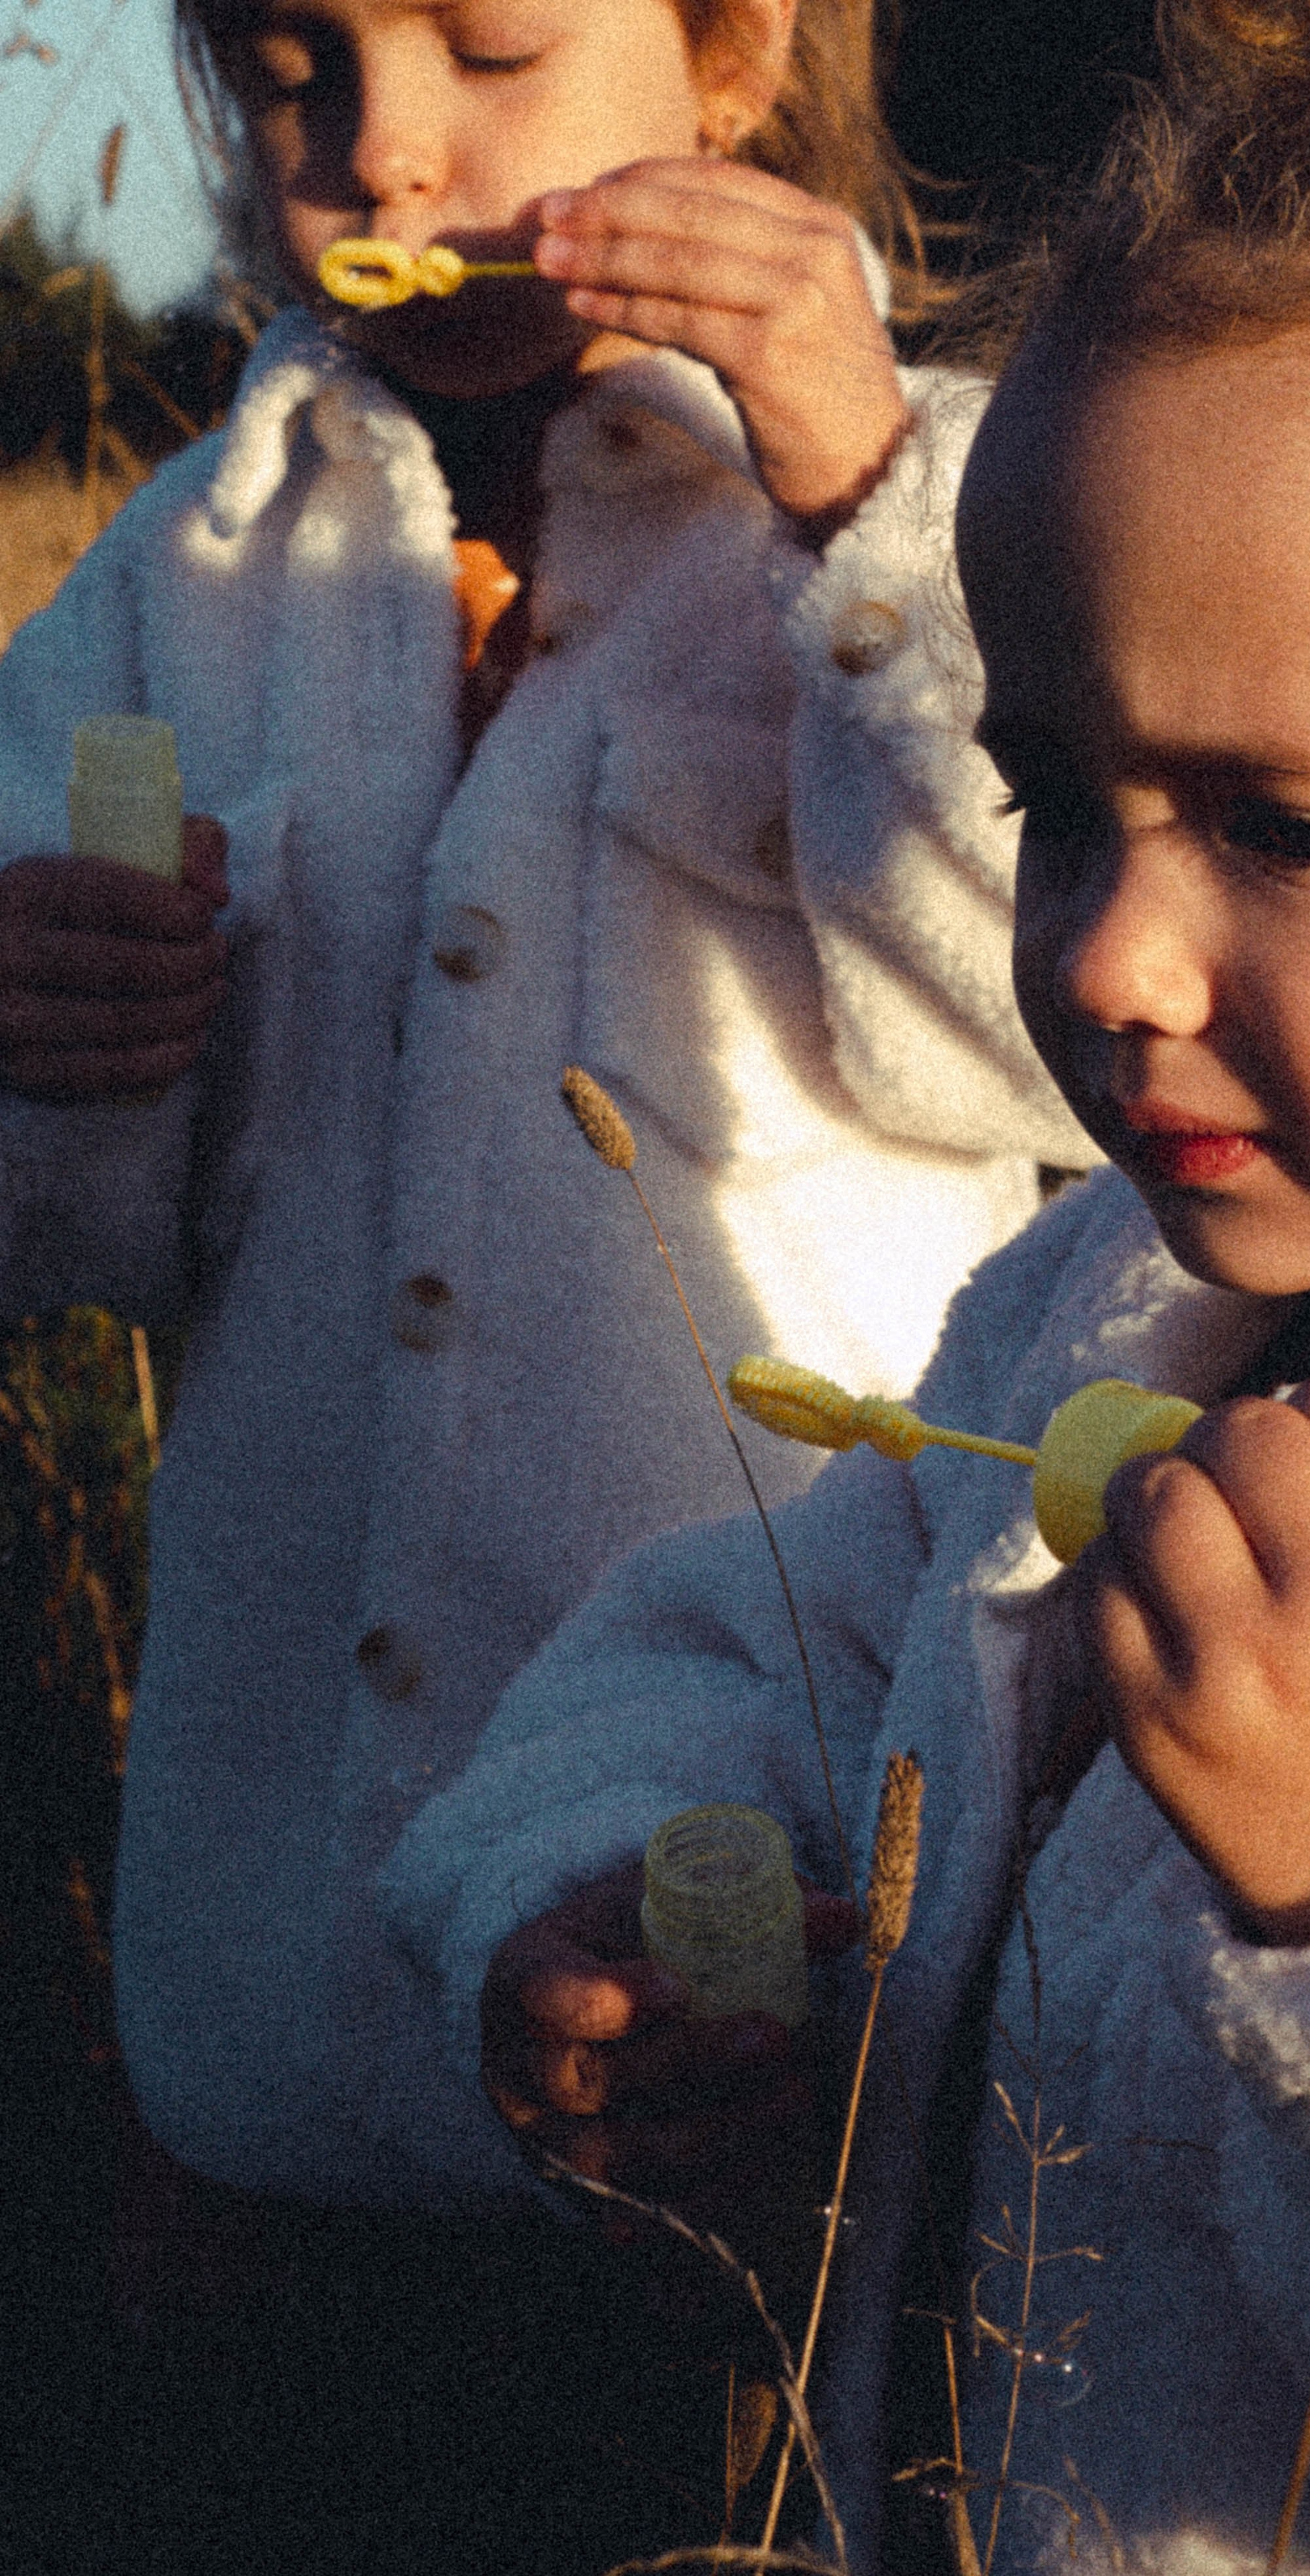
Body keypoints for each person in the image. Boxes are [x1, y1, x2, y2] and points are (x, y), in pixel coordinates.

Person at [389, 2, 1310, 2567]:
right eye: (1050, 801)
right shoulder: (1107, 1312)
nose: (1103, 957)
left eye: (1280, 826)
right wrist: (639, 1883)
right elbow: (764, 1625)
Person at [0, 0, 1092, 2223]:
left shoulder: (970, 495)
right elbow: (77, 1254)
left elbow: (1058, 1026)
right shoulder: (174, 577)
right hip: (280, 1996)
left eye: (491, 52)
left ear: (732, 57)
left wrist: (861, 509)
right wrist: (49, 1059)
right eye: (298, 71)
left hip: (765, 1893)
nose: (386, 152)